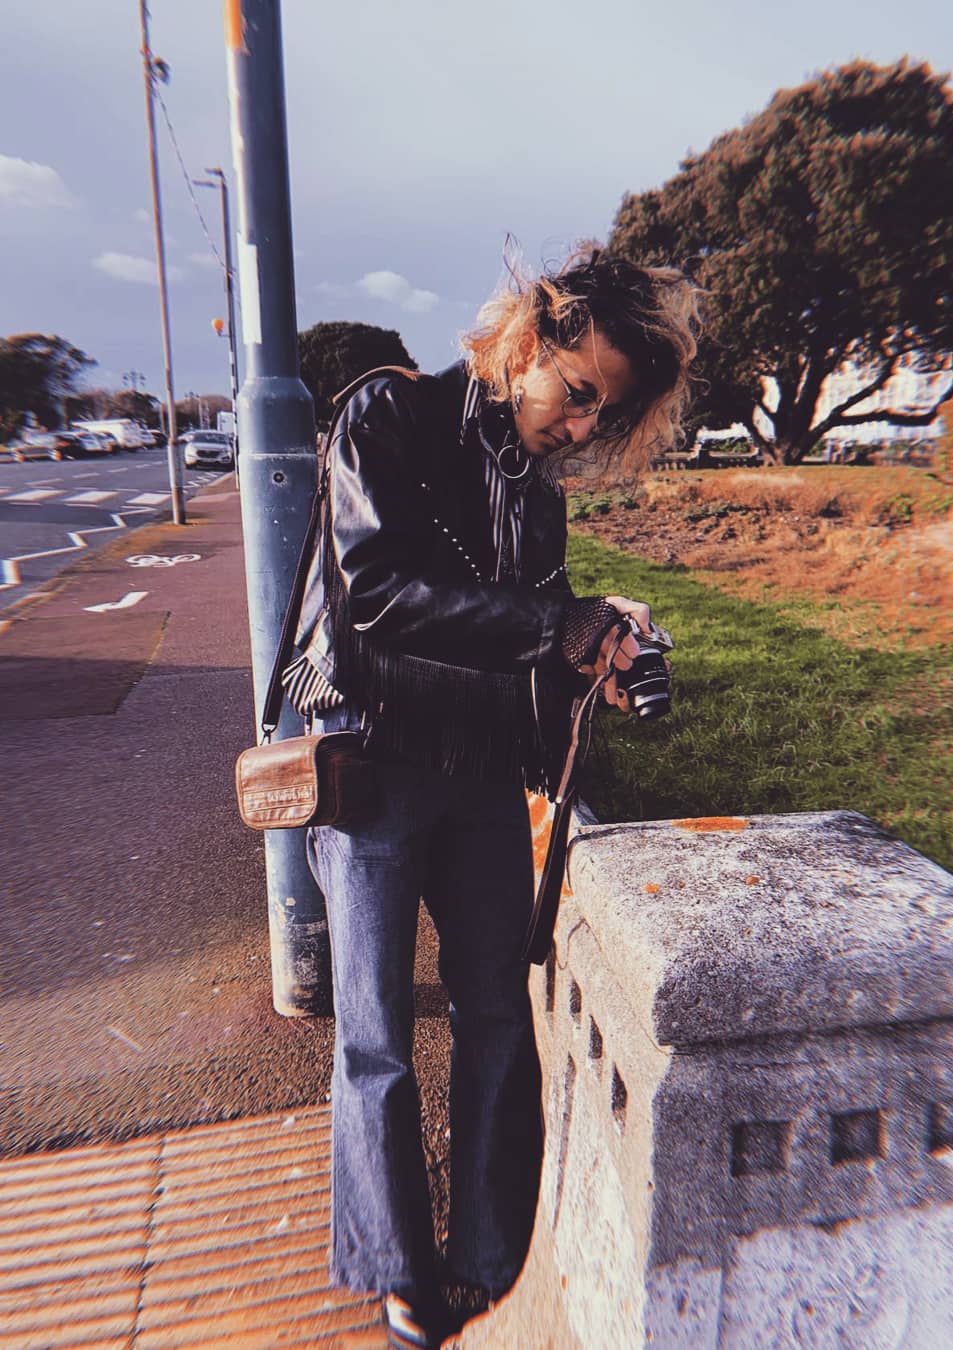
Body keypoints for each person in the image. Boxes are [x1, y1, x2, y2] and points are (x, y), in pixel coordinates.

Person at [292, 244, 699, 1348]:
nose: (575, 429)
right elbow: (375, 592)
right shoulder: (388, 413)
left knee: (495, 1024)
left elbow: (537, 626)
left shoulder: (537, 493)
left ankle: (482, 1257)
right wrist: (547, 625)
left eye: (598, 417)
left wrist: (602, 649)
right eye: (575, 394)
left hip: (479, 778)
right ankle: (393, 1269)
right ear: (529, 338)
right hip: (371, 768)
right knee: (374, 1038)